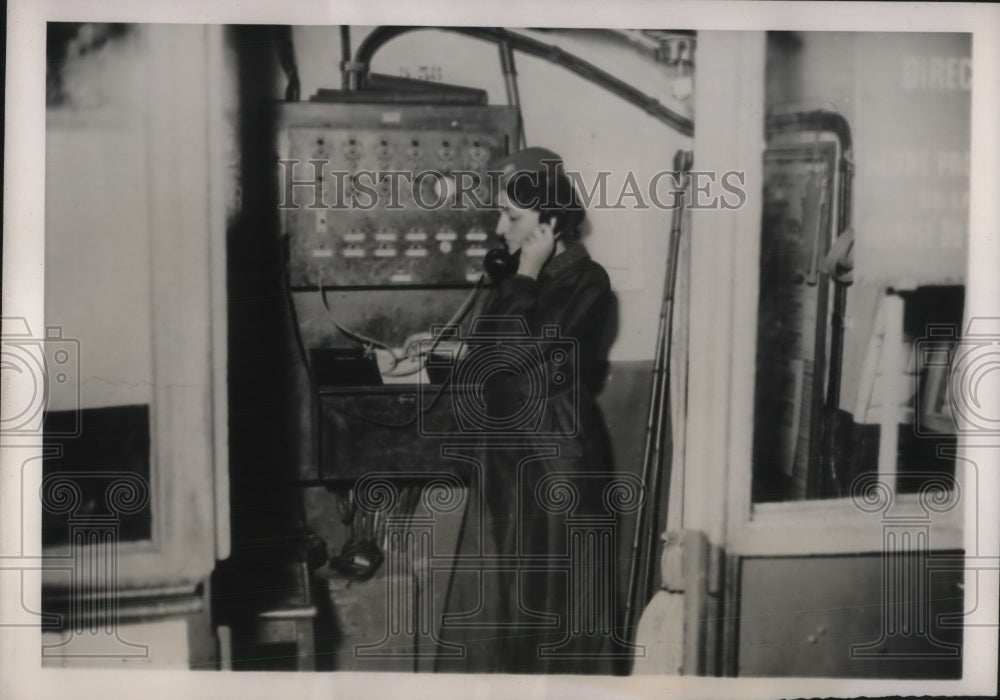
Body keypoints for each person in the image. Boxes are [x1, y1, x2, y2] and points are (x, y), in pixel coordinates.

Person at [435, 148, 625, 675]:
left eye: (512, 216)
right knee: (514, 594)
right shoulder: (518, 278)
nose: (500, 227)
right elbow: (490, 356)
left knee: (552, 598)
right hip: (509, 454)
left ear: (551, 221)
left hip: (552, 456)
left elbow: (524, 352)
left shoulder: (588, 280)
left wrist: (527, 274)